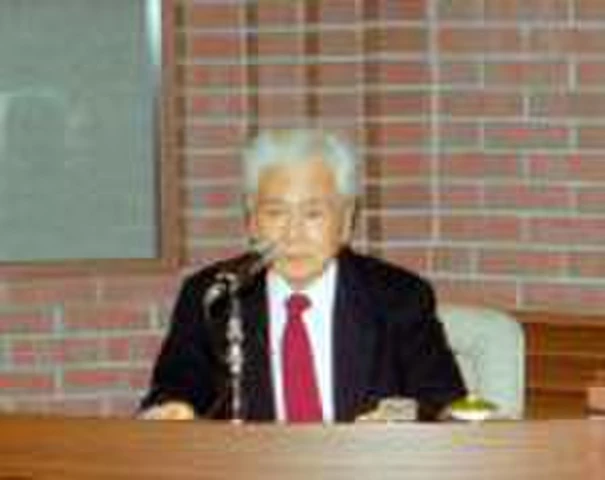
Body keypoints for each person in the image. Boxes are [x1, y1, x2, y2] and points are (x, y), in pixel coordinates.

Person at [139, 129, 466, 422]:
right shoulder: (217, 295)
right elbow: (173, 392)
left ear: (346, 220)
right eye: (275, 213)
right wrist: (173, 409)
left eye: (313, 214)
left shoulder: (398, 297)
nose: (293, 234)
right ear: (251, 220)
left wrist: (399, 418)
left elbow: (444, 402)